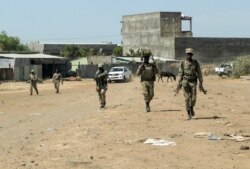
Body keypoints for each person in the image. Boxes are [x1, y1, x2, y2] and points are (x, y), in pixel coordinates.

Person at [177, 48, 204, 120]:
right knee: (187, 98)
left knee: (193, 98)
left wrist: (201, 83)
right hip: (185, 82)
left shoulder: (195, 62)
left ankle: (192, 107)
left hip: (193, 82)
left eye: (190, 54)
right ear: (186, 54)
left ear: (192, 55)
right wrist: (178, 83)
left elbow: (199, 73)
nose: (189, 55)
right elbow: (180, 73)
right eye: (188, 54)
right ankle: (188, 113)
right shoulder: (182, 62)